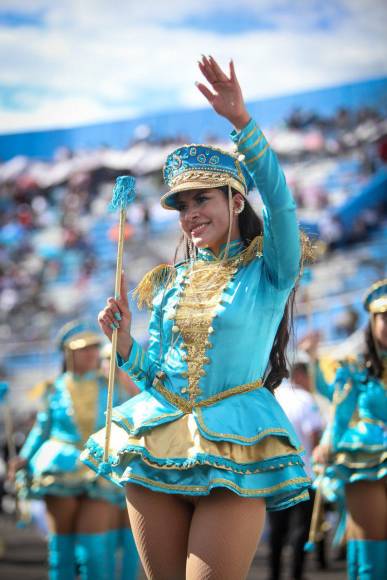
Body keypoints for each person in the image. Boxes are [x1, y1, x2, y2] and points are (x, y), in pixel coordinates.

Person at [82, 55, 311, 579]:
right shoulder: (168, 282)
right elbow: (157, 376)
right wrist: (122, 345)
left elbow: (281, 203)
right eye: (182, 206)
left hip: (236, 448)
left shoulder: (269, 269)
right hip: (158, 442)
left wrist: (242, 125)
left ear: (234, 201)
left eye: (200, 200)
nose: (189, 215)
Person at [8, 320, 129, 580]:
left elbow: (125, 421)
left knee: (95, 551)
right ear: (68, 353)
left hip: (100, 469)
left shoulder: (112, 386)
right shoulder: (53, 388)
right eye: (84, 348)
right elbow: (42, 429)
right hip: (60, 468)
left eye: (95, 347)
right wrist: (23, 458)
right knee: (61, 551)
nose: (92, 353)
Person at [312, 280, 387, 579]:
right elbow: (340, 415)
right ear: (372, 321)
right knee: (372, 551)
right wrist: (327, 443)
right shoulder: (355, 369)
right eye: (384, 317)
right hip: (366, 460)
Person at [268, 358, 325, 580]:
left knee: (277, 530)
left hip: (274, 474)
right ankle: (296, 575)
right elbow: (315, 434)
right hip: (303, 473)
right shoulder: (305, 398)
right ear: (301, 375)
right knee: (300, 529)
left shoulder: (273, 396)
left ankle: (273, 575)